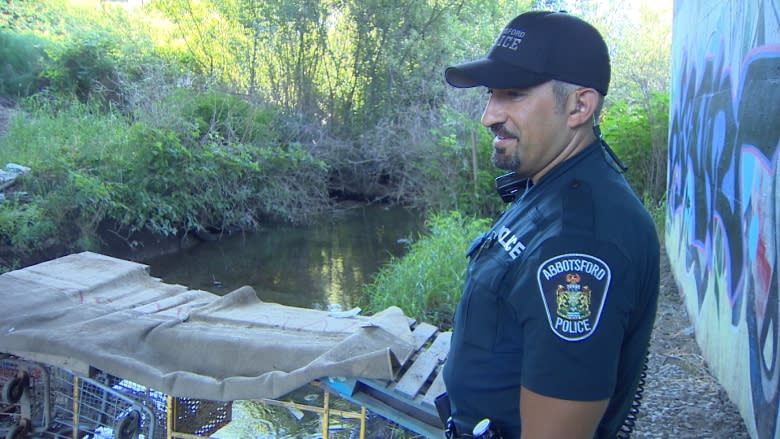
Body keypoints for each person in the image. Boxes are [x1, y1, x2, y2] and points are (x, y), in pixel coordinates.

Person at [439, 10, 660, 439]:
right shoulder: (547, 185)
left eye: (514, 94)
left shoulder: (579, 242)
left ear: (579, 105)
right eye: (491, 94)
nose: (489, 116)